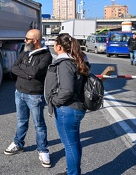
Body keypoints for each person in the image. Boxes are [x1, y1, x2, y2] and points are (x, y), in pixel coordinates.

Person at [4, 29, 52, 168]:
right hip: (19, 92)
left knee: (39, 124)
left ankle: (43, 150)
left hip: (34, 95)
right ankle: (18, 144)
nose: (24, 41)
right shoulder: (25, 51)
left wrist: (26, 71)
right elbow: (14, 68)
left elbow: (35, 72)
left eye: (27, 39)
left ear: (35, 41)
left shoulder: (46, 56)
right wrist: (28, 73)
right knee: (21, 121)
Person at [44, 33, 90, 175]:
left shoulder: (65, 63)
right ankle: (73, 171)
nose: (53, 46)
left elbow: (67, 90)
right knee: (74, 143)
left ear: (59, 47)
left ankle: (73, 173)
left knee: (70, 146)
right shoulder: (78, 59)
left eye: (54, 44)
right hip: (76, 108)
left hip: (67, 110)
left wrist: (54, 101)